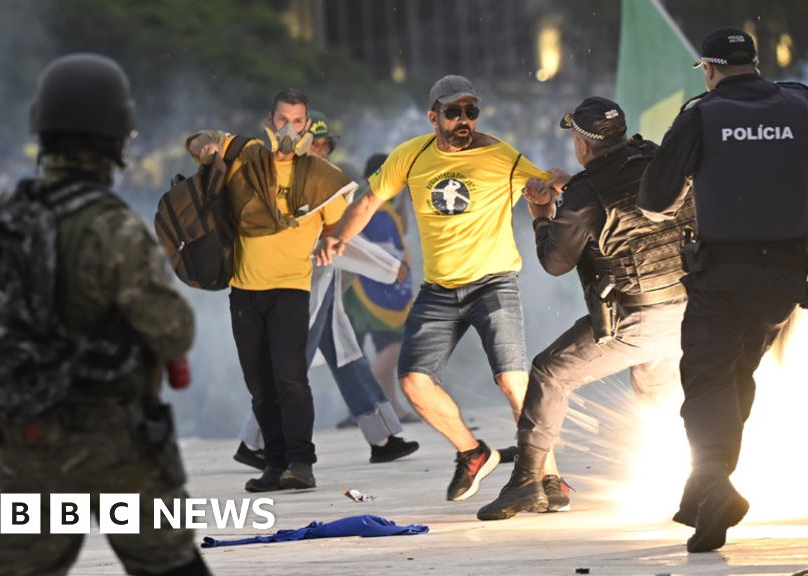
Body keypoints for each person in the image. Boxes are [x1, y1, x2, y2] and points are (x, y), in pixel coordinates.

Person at [0, 54, 209, 575]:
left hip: (21, 446)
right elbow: (174, 331)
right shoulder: (113, 228)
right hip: (113, 448)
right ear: (115, 137)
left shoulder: (0, 219)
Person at [637, 28, 808, 553]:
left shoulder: (701, 114)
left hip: (724, 276)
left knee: (707, 382)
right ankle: (708, 492)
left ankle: (712, 482)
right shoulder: (798, 101)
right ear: (755, 64)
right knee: (735, 379)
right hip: (784, 280)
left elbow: (656, 201)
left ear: (708, 69)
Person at [314, 75, 563, 503]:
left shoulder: (498, 156)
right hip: (439, 290)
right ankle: (472, 452)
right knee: (412, 382)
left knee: (512, 382)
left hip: (493, 283)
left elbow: (548, 181)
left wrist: (551, 189)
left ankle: (548, 475)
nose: (464, 120)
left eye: (471, 111)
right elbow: (370, 201)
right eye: (454, 112)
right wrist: (338, 237)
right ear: (434, 117)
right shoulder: (410, 156)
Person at [477, 97, 694, 520]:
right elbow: (625, 190)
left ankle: (526, 482)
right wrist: (572, 186)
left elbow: (555, 262)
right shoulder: (656, 159)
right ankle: (694, 476)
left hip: (638, 317)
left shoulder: (585, 193)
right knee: (657, 393)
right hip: (690, 308)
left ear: (581, 142)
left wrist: (542, 214)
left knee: (549, 372)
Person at [230, 112, 419, 472]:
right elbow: (339, 241)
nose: (321, 151)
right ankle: (253, 441)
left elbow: (344, 238)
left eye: (323, 145)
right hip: (301, 288)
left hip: (321, 285)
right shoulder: (294, 187)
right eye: (314, 144)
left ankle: (383, 438)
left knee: (347, 359)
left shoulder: (315, 181)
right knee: (292, 368)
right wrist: (389, 268)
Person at [187, 89, 356, 492]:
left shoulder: (321, 175)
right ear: (270, 120)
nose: (289, 129)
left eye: (298, 122)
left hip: (291, 288)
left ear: (307, 126)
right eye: (283, 119)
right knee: (259, 383)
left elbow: (338, 223)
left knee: (291, 378)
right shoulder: (244, 156)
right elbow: (197, 140)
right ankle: (274, 462)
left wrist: (327, 242)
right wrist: (206, 146)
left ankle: (301, 462)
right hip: (243, 287)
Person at [341, 153, 420, 422]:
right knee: (367, 350)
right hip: (362, 289)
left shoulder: (385, 201)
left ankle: (390, 408)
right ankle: (366, 406)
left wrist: (403, 203)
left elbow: (400, 232)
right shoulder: (364, 200)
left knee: (384, 345)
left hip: (380, 288)